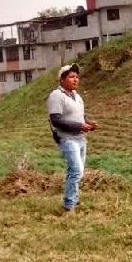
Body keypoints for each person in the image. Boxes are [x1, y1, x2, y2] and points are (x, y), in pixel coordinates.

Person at [47, 63, 98, 212]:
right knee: (76, 171)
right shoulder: (57, 96)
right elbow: (56, 120)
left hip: (81, 138)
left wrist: (89, 123)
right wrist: (80, 126)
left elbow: (81, 116)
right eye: (71, 77)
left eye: (77, 77)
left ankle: (72, 200)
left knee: (77, 172)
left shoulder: (77, 96)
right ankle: (69, 205)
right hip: (67, 139)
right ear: (62, 80)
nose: (75, 80)